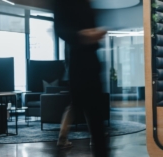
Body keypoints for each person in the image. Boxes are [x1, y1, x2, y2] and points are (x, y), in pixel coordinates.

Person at [53, 0, 108, 156]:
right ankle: (62, 138)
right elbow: (61, 30)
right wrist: (82, 35)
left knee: (92, 111)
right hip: (77, 66)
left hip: (92, 65)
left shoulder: (86, 3)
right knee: (76, 105)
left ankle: (91, 139)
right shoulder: (63, 4)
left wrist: (95, 35)